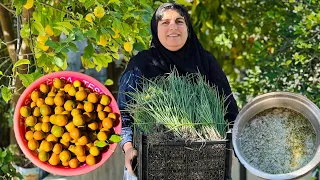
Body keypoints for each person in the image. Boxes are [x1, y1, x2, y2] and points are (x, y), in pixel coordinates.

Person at [117, 3, 239, 179]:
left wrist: (230, 150)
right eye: (165, 22)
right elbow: (124, 115)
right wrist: (128, 148)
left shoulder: (206, 62)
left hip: (205, 163)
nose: (173, 27)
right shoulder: (141, 65)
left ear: (188, 27)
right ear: (155, 29)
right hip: (150, 163)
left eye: (179, 21)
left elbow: (230, 112)